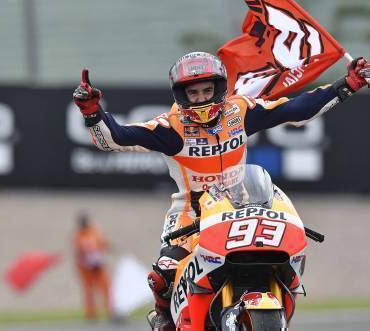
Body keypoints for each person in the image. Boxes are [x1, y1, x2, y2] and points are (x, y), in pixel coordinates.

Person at [73, 52, 370, 330]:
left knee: (279, 250)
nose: (201, 99)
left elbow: (295, 110)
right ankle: (165, 318)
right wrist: (92, 112)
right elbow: (117, 138)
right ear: (181, 95)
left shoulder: (239, 112)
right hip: (191, 215)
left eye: (206, 90)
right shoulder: (170, 128)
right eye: (193, 93)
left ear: (218, 87)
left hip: (243, 202)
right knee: (162, 274)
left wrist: (348, 84)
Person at [73, 212, 113, 320]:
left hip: (98, 265)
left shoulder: (94, 231)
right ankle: (91, 312)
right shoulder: (79, 235)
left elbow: (102, 244)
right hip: (86, 267)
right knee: (89, 290)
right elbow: (79, 252)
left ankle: (110, 310)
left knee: (105, 288)